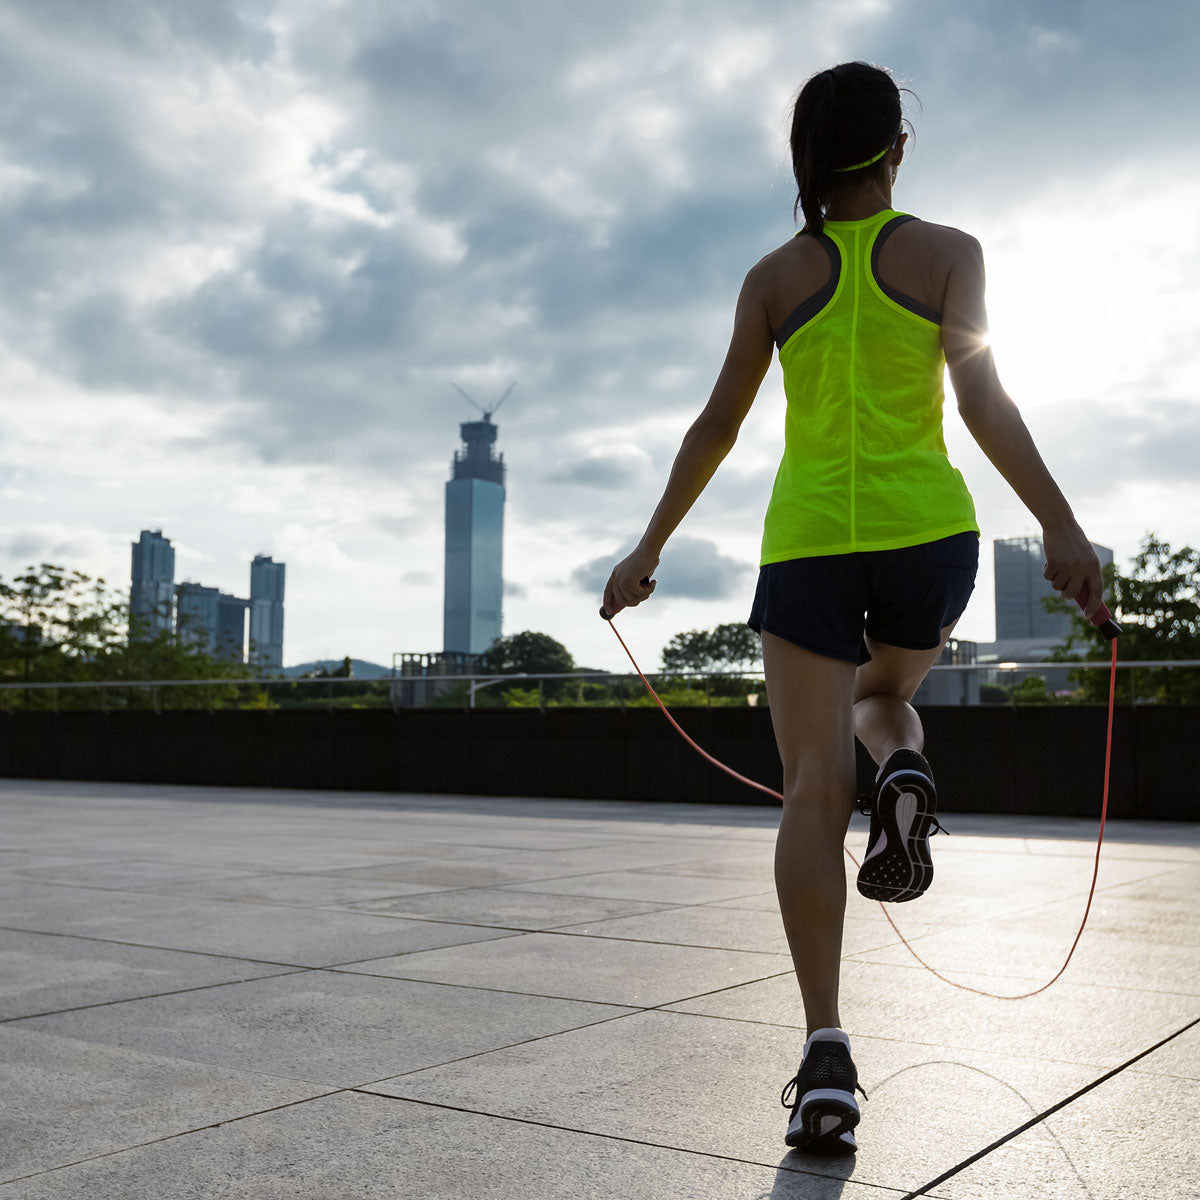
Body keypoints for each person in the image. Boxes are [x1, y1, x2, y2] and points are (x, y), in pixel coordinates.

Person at [601, 60, 1105, 1156]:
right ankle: (908, 768)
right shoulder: (948, 253)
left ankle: (826, 1053)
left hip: (812, 545)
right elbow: (984, 398)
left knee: (810, 791)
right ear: (897, 151)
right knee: (887, 702)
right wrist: (1061, 531)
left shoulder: (775, 277)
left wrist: (648, 551)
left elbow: (715, 427)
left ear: (807, 158)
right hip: (928, 538)